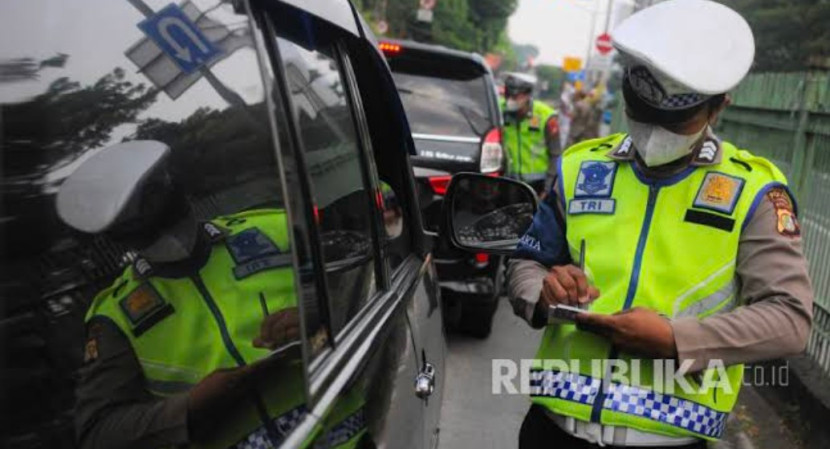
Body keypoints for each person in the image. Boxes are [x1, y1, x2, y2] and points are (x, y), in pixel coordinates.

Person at [507, 1, 813, 447]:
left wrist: (676, 339)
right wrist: (543, 291)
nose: (652, 132)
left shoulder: (755, 194)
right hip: (553, 431)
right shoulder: (582, 168)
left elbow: (789, 318)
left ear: (718, 107)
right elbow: (526, 264)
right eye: (643, 113)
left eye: (673, 119)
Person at [60, 141, 364, 449]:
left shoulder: (274, 229)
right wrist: (191, 405)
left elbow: (368, 277)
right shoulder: (116, 317)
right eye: (144, 226)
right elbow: (99, 432)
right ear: (119, 234)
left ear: (180, 189)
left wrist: (312, 315)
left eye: (165, 209)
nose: (169, 233)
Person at [502, 72, 561, 194]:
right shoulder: (500, 111)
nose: (510, 101)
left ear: (527, 95)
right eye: (508, 97)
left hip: (537, 184)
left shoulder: (547, 117)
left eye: (515, 97)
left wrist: (548, 188)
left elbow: (555, 154)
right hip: (507, 182)